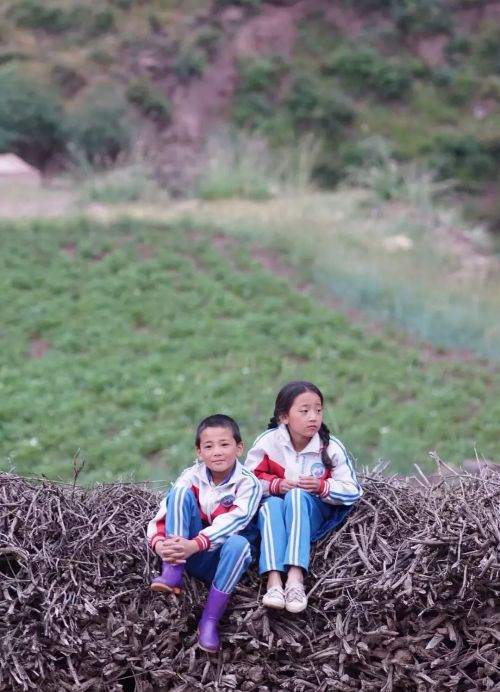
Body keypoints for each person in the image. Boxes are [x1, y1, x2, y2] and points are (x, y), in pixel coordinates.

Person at [147, 414, 262, 653]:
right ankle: (172, 571)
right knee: (178, 495)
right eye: (208, 446)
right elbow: (165, 512)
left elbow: (235, 521)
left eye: (224, 444)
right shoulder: (191, 476)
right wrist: (159, 545)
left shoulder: (248, 484)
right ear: (199, 452)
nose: (217, 452)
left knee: (239, 544)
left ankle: (209, 622)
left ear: (239, 447)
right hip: (186, 553)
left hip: (221, 561)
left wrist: (196, 544)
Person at [244, 381, 362, 613]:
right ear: (284, 417)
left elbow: (353, 490)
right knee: (270, 507)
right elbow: (246, 484)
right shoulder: (267, 443)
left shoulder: (330, 447)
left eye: (318, 410)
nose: (313, 417)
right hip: (275, 511)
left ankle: (295, 580)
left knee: (297, 496)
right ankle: (274, 581)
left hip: (314, 513)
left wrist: (322, 487)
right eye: (305, 411)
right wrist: (276, 485)